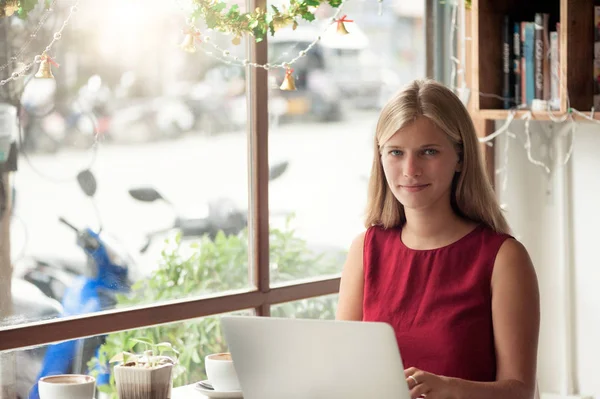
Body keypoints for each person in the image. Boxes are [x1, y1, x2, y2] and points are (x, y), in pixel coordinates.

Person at [336, 79, 540, 399]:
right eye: (396, 152)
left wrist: (449, 388)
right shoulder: (365, 249)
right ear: (381, 158)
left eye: (428, 151)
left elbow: (521, 392)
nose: (410, 169)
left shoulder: (503, 257)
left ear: (459, 157)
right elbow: (342, 372)